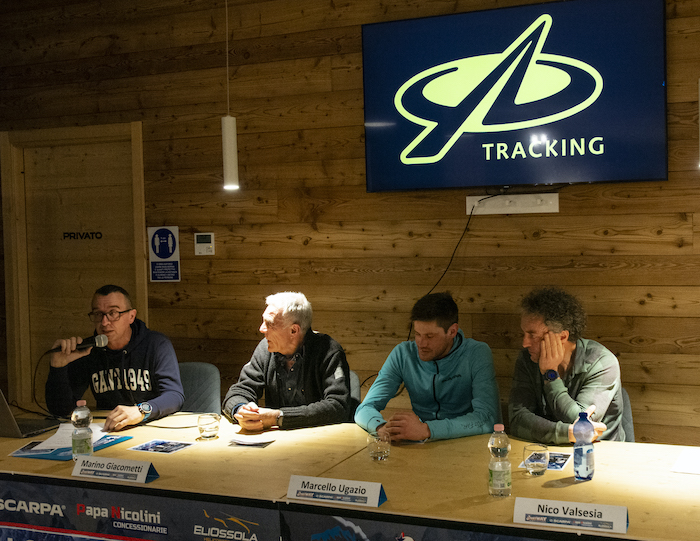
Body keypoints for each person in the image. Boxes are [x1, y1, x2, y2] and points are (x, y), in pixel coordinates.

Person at [355, 291, 501, 442]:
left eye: (430, 336)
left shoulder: (476, 353)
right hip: (422, 444)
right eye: (417, 334)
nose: (421, 344)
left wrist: (427, 430)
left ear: (452, 331)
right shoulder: (403, 354)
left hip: (467, 442)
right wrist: (381, 428)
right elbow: (364, 409)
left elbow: (487, 418)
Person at [45, 285, 184, 432]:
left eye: (113, 313)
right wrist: (58, 367)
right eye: (98, 314)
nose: (104, 322)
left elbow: (174, 396)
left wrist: (140, 411)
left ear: (131, 316)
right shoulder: (88, 350)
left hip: (151, 427)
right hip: (108, 429)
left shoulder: (156, 344)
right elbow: (60, 410)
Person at [508, 286, 626, 444]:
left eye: (532, 335)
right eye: (524, 334)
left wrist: (550, 374)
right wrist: (566, 433)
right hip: (548, 450)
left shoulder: (602, 362)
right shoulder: (527, 358)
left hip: (601, 451)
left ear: (562, 337)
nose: (525, 343)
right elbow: (517, 420)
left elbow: (582, 423)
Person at [222, 292, 353, 431]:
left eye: (269, 323)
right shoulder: (265, 348)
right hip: (277, 438)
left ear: (293, 330)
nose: (261, 329)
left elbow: (338, 406)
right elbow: (239, 391)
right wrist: (241, 410)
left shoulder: (328, 351)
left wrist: (279, 417)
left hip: (321, 437)